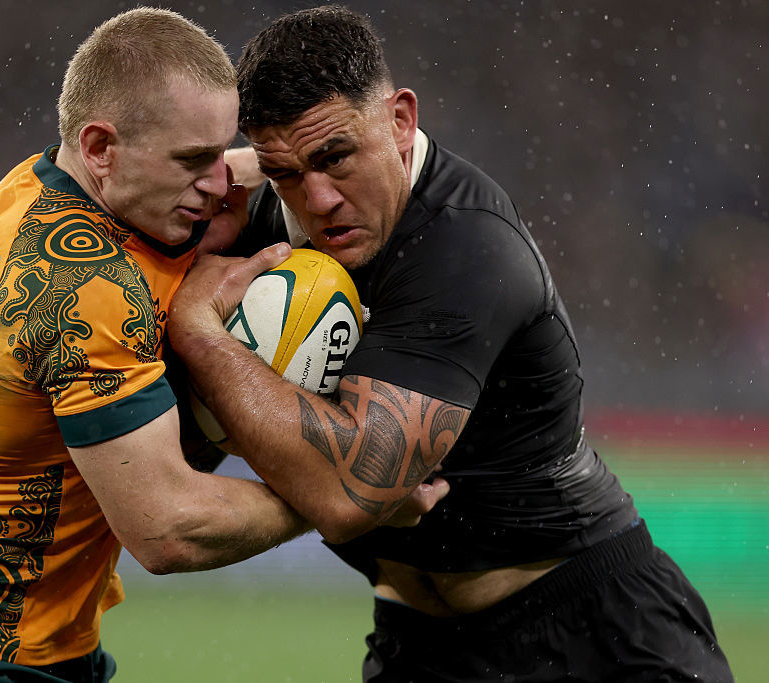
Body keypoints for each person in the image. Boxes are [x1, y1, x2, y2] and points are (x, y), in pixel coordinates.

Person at [0, 9, 443, 682]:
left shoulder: (28, 188)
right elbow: (167, 527)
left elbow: (192, 190)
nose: (218, 184)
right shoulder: (83, 292)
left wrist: (290, 167)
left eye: (220, 154)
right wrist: (352, 491)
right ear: (100, 148)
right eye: (193, 161)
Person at [168, 5, 734, 682]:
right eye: (285, 172)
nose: (318, 200)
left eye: (337, 157)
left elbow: (349, 495)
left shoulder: (466, 247)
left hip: (593, 631)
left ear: (401, 120)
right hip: (418, 643)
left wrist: (199, 333)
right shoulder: (263, 221)